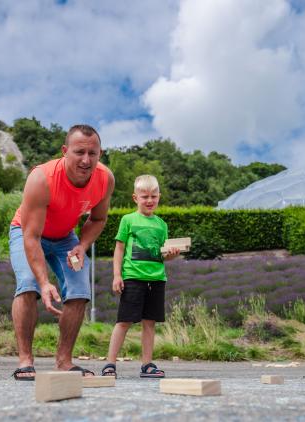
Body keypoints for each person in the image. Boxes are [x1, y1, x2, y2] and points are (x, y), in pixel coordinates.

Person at [9, 124, 115, 381]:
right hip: (28, 232)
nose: (86, 160)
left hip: (66, 237)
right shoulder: (41, 178)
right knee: (28, 285)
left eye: (93, 153)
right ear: (65, 151)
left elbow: (98, 220)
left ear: (100, 153)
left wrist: (83, 245)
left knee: (79, 290)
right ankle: (25, 360)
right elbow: (31, 237)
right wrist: (45, 283)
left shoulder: (105, 179)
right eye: (79, 152)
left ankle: (64, 361)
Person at [101, 175, 180, 379]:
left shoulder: (162, 225)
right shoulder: (128, 220)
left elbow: (161, 255)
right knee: (124, 321)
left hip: (157, 280)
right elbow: (119, 249)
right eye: (144, 196)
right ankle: (110, 363)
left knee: (149, 322)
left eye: (154, 196)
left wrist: (171, 255)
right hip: (133, 278)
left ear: (159, 197)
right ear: (135, 198)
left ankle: (147, 364)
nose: (149, 200)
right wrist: (117, 275)